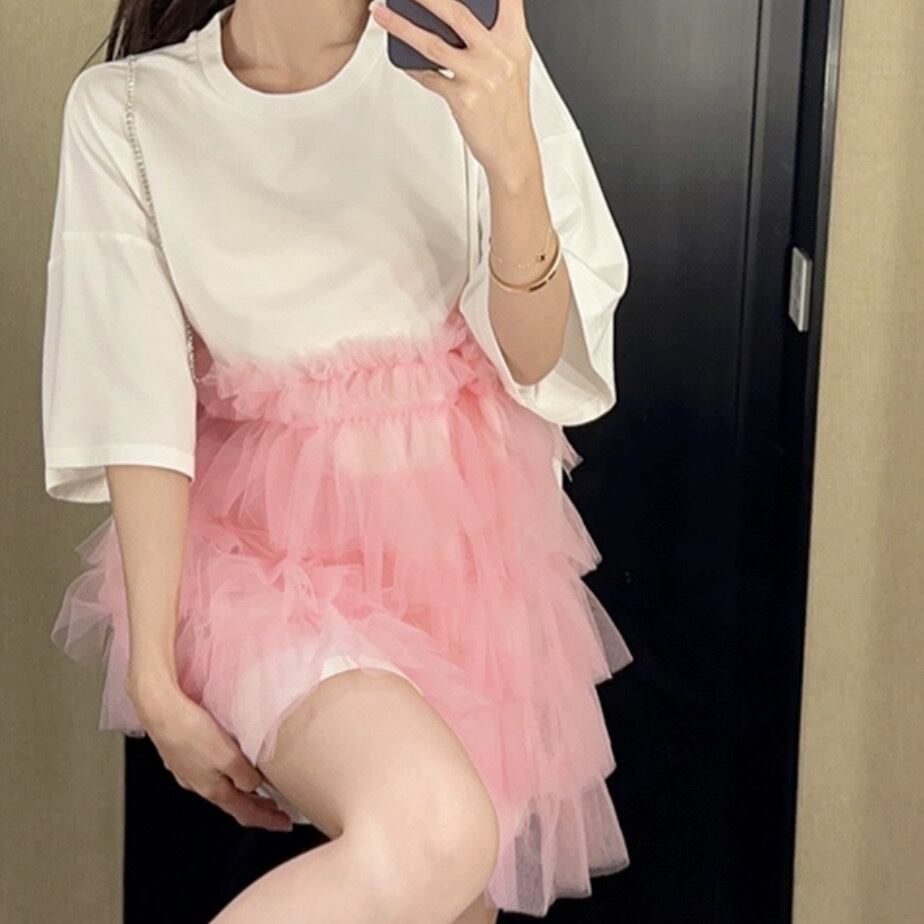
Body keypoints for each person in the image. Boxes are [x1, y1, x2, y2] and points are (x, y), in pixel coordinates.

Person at [41, 0, 634, 919]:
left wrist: (515, 166)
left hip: (469, 562)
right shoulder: (125, 112)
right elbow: (139, 405)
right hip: (264, 569)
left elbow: (532, 357)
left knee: (454, 893)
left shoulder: (465, 60)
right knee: (434, 831)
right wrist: (153, 680)